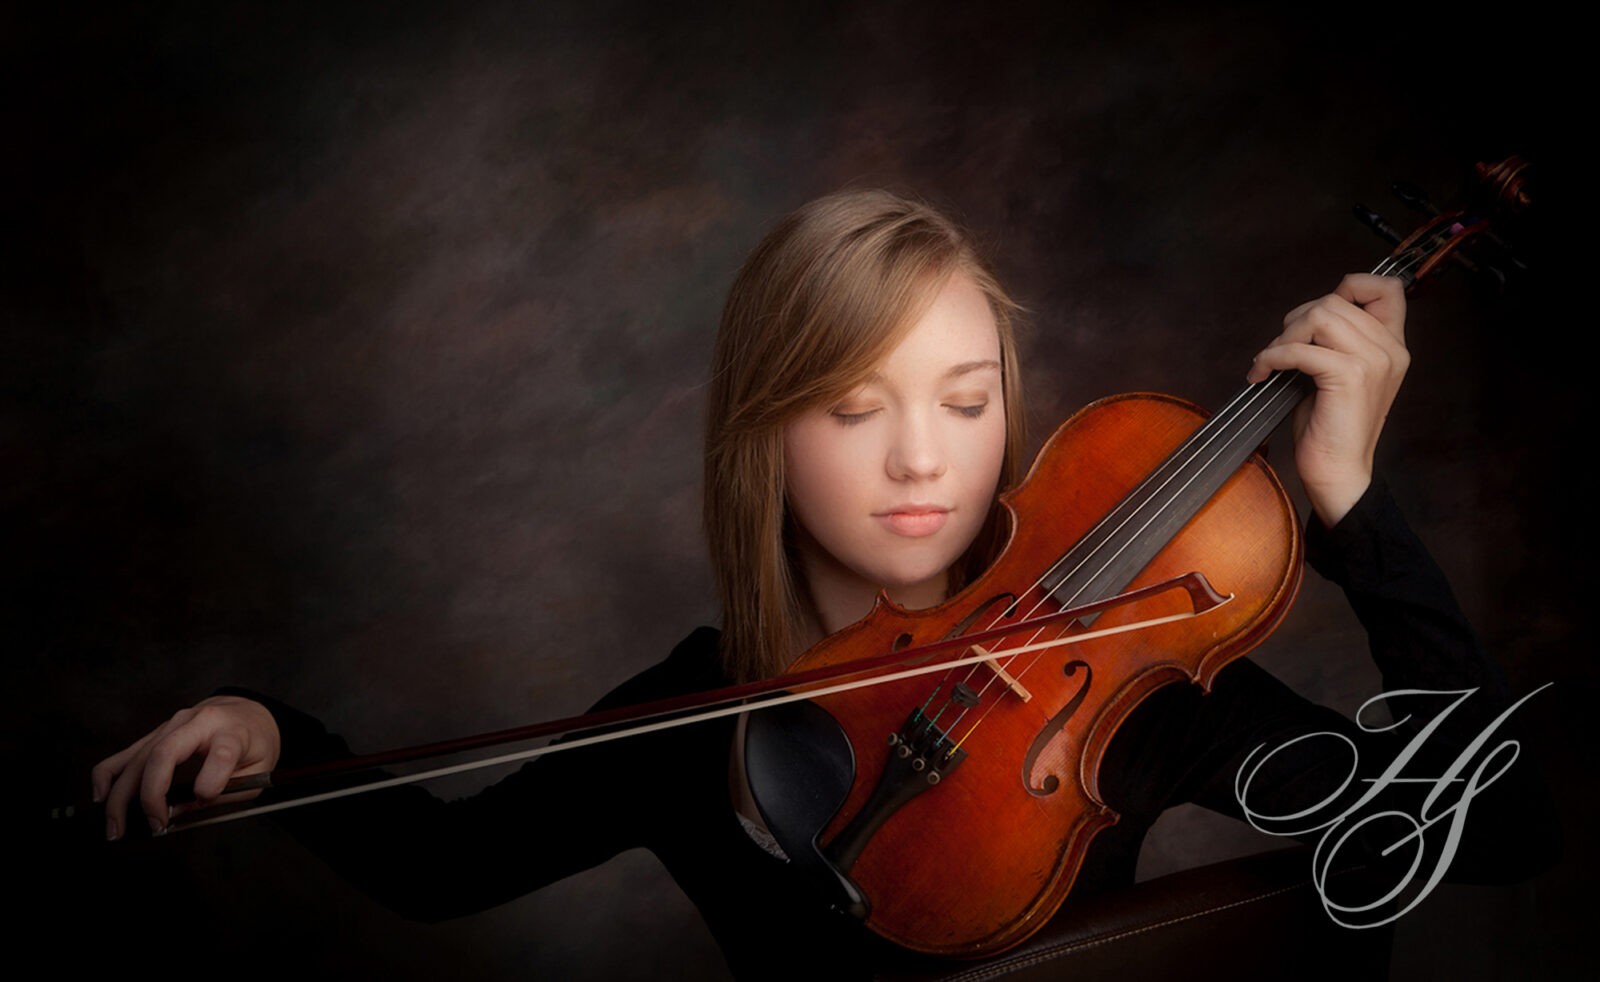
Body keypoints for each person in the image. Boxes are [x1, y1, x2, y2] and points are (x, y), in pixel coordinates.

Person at [90, 189, 1553, 978]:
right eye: (855, 408)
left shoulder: (1121, 681)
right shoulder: (700, 705)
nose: (925, 457)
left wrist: (1351, 501)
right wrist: (269, 721)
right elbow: (437, 871)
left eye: (967, 399)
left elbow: (1500, 828)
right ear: (766, 434)